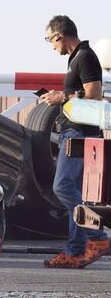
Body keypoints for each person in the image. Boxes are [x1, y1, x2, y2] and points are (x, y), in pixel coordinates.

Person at [42, 15, 109, 269]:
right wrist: (62, 97)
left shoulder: (85, 56)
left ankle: (97, 237)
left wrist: (61, 97)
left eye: (50, 40)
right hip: (75, 131)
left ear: (60, 35)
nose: (51, 45)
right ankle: (75, 249)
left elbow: (94, 94)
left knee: (62, 187)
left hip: (80, 133)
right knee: (75, 193)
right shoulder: (76, 59)